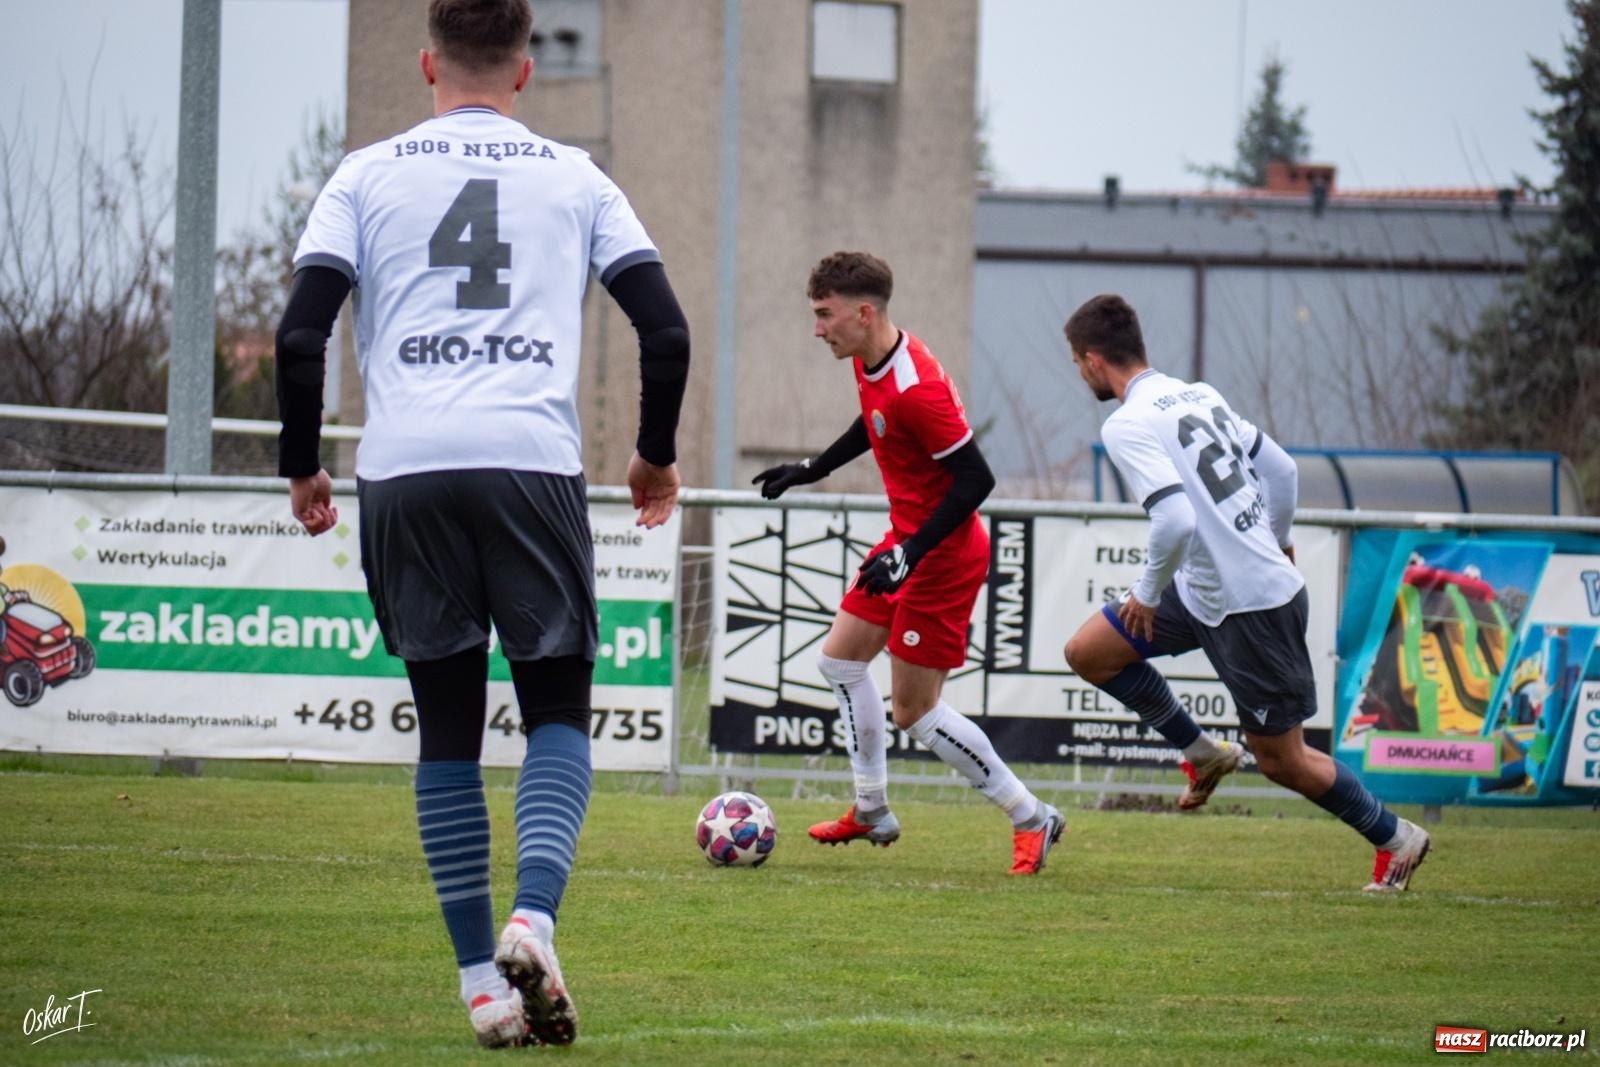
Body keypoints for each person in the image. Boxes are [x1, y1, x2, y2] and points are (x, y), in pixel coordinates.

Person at [273, 0, 689, 1047]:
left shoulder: (363, 175)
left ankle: (480, 988)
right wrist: (651, 453)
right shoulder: (575, 175)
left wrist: (300, 462)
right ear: (522, 71)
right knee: (556, 709)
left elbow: (299, 331)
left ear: (426, 63)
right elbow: (665, 327)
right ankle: (532, 919)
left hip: (406, 472)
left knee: (447, 729)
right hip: (527, 464)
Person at [1059, 293, 1430, 892]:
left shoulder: (1126, 422)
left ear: (1095, 360)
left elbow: (1175, 520)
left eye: (1077, 362)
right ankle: (1203, 752)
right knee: (1089, 653)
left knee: (1283, 759)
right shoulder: (1200, 394)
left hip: (1251, 605)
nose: (1079, 373)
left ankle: (1396, 838)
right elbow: (1281, 469)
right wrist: (1278, 538)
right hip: (1207, 590)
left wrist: (1148, 593)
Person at [754, 251, 1064, 876]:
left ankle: (1032, 815)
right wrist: (810, 469)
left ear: (864, 314)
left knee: (915, 713)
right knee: (839, 660)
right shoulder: (876, 360)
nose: (818, 329)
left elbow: (976, 479)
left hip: (941, 557)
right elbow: (875, 423)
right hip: (906, 543)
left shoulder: (917, 388)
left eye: (825, 315)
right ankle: (871, 808)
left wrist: (911, 555)